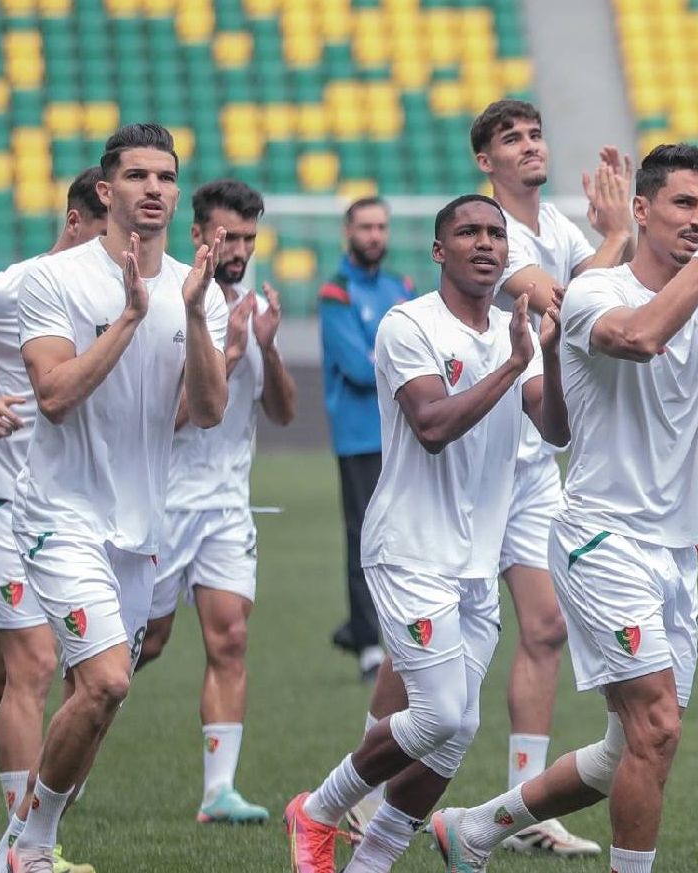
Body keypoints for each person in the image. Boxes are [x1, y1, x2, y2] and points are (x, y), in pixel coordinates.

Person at [430, 142, 698, 873]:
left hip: (675, 548)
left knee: (625, 748)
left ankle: (475, 827)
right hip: (601, 539)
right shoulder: (596, 292)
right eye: (683, 204)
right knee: (658, 727)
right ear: (640, 210)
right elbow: (638, 338)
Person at [283, 194, 568, 873]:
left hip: (477, 557)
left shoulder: (516, 329)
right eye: (468, 232)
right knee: (439, 714)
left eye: (496, 234)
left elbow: (555, 429)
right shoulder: (407, 324)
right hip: (408, 549)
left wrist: (549, 358)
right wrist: (512, 362)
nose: (485, 244)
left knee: (457, 729)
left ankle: (371, 860)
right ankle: (320, 808)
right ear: (440, 250)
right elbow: (433, 427)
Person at [0, 122, 230, 873]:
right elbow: (54, 395)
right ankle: (28, 849)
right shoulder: (53, 279)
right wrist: (131, 316)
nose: (153, 190)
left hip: (142, 530)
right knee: (105, 680)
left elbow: (208, 408)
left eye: (165, 177)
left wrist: (192, 312)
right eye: (136, 177)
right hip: (60, 516)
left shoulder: (199, 290)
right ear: (107, 190)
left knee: (95, 701)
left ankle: (17, 850)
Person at [470, 98, 632, 856]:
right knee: (442, 645)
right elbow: (564, 299)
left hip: (536, 457)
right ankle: (365, 790)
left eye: (535, 133)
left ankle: (522, 810)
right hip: (474, 457)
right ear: (485, 160)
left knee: (545, 625)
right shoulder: (486, 230)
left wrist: (619, 236)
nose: (530, 145)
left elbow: (613, 289)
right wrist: (618, 237)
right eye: (512, 137)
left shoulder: (561, 229)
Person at [131, 179, 296, 824]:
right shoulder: (170, 305)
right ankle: (63, 728)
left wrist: (269, 346)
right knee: (142, 646)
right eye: (228, 236)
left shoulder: (254, 311)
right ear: (198, 234)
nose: (239, 249)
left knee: (230, 640)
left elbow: (282, 413)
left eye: (250, 238)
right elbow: (172, 419)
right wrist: (226, 352)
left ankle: (217, 793)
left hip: (228, 506)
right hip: (163, 503)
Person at [0, 168, 107, 873]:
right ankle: (23, 852)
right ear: (76, 222)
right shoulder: (5, 289)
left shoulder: (106, 295)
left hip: (65, 507)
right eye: (104, 235)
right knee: (37, 663)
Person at [320, 196, 416, 681]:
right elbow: (357, 368)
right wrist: (406, 363)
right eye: (366, 227)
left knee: (405, 534)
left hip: (404, 433)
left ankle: (372, 629)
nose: (375, 235)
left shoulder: (403, 286)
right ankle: (368, 645)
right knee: (365, 536)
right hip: (360, 434)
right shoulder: (336, 293)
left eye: (381, 226)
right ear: (348, 233)